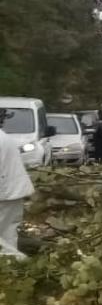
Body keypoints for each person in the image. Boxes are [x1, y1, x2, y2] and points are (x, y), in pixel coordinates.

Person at [0, 109, 35, 259]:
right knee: (7, 234)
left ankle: (17, 261)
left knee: (5, 241)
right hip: (12, 191)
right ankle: (13, 268)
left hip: (4, 192)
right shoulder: (3, 137)